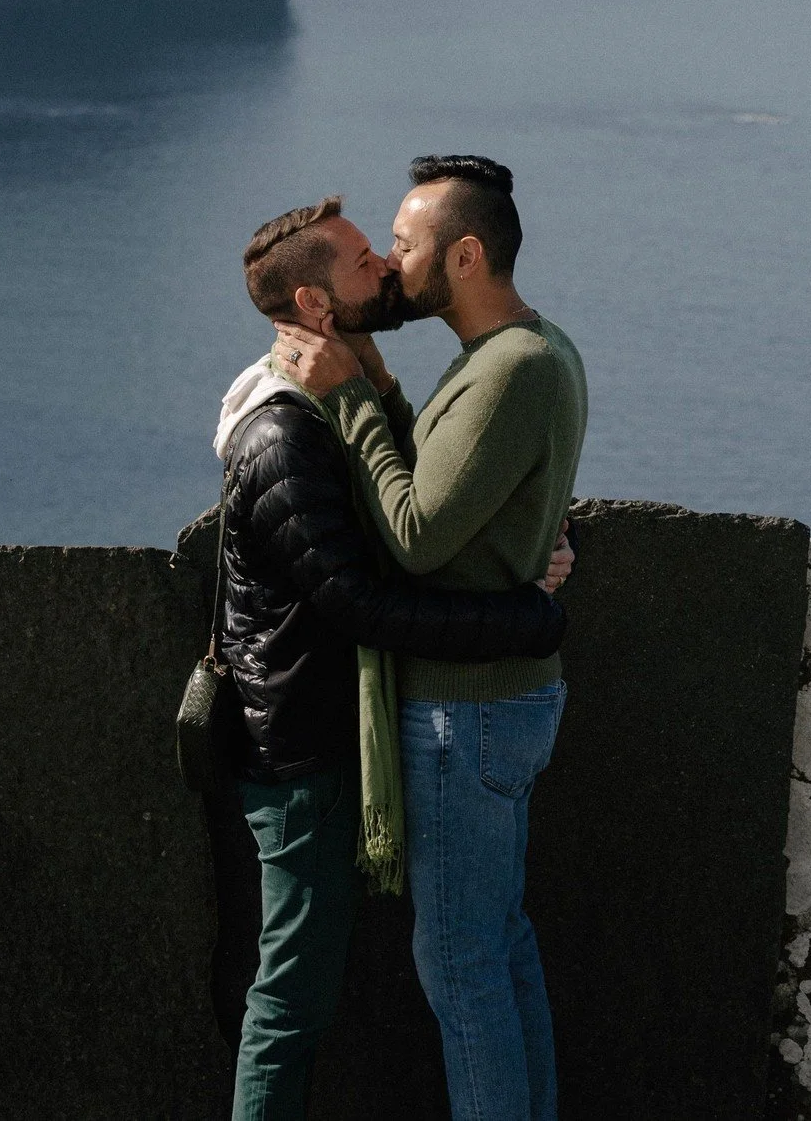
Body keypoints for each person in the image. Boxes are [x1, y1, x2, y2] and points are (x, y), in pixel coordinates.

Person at [218, 194, 573, 1121]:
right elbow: (371, 583)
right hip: (301, 750)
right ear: (315, 306)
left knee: (468, 954)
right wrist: (523, 618)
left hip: (403, 725)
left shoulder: (482, 370)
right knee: (302, 995)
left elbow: (418, 505)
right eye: (369, 257)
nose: (387, 265)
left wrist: (368, 390)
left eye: (395, 246)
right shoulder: (284, 432)